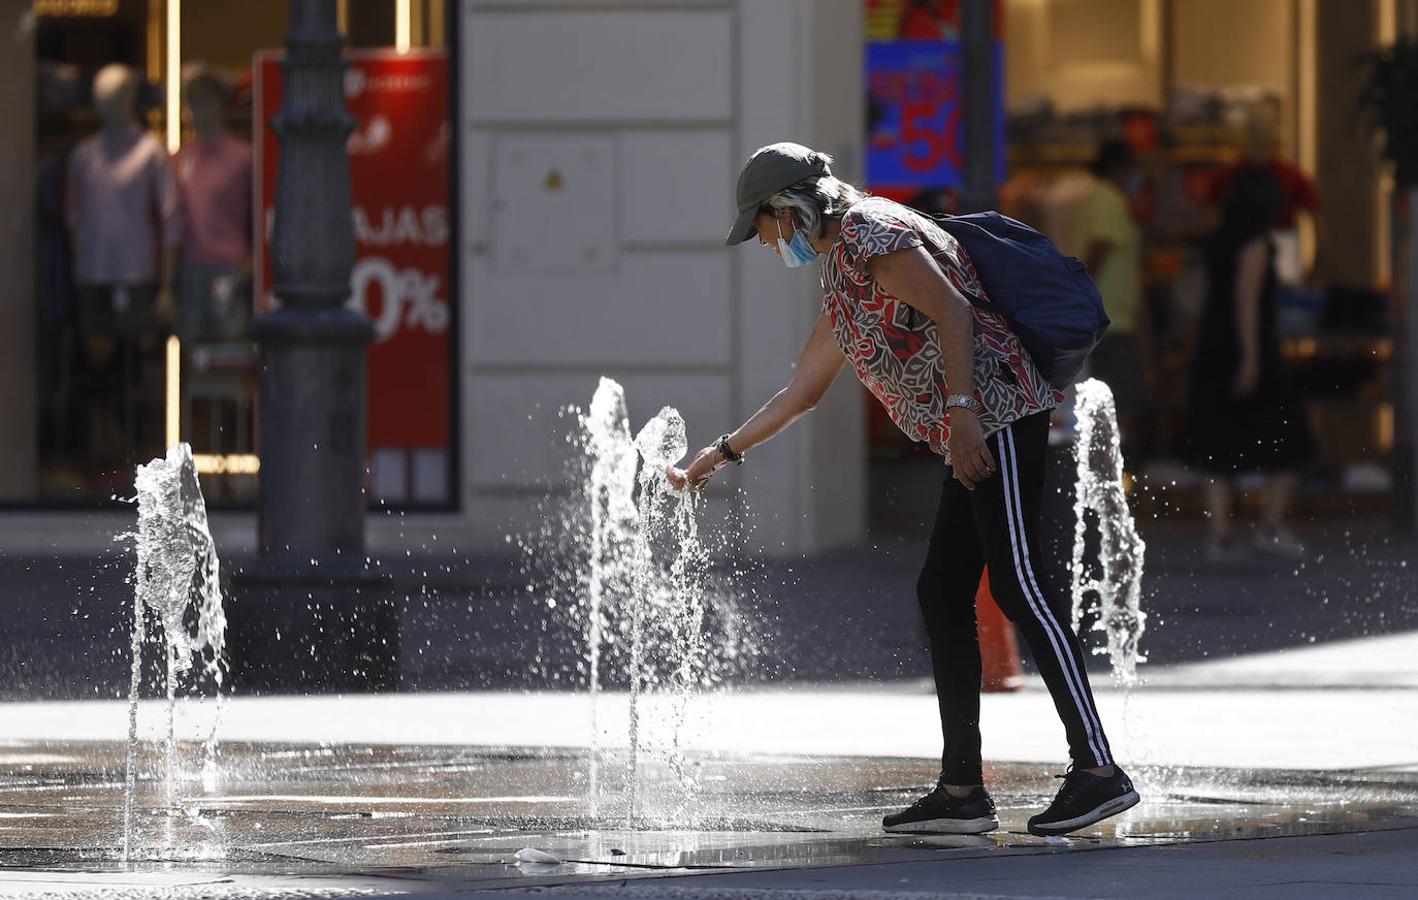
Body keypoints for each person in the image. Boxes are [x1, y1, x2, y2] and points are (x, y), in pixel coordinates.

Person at [671, 142, 1139, 836]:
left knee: (1018, 585)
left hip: (997, 415)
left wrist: (961, 414)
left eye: (762, 227)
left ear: (789, 207)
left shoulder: (873, 233)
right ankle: (961, 793)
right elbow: (802, 392)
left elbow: (952, 313)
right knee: (942, 593)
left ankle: (1099, 771)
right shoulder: (843, 269)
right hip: (972, 432)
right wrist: (715, 456)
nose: (765, 243)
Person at [1183, 168, 1315, 560]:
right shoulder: (1256, 244)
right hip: (1246, 349)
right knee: (1292, 439)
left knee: (1217, 441)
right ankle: (1271, 525)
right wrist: (1253, 359)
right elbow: (1247, 302)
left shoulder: (1214, 242)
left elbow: (1197, 297)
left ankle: (1220, 534)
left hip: (1211, 348)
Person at [65, 64, 180, 471]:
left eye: (113, 97)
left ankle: (141, 455)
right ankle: (104, 451)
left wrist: (165, 285)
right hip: (94, 274)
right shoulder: (83, 156)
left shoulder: (151, 151)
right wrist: (78, 273)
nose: (106, 106)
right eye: (101, 99)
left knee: (140, 364)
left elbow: (170, 220)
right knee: (97, 364)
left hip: (138, 275)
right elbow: (74, 219)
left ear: (129, 99)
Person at [1071, 139, 1150, 452]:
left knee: (1107, 412)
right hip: (1110, 324)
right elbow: (1096, 253)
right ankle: (1114, 484)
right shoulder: (1108, 201)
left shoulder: (1096, 198)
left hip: (1104, 321)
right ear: (1120, 169)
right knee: (1119, 411)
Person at [173, 67, 253, 343]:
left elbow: (258, 213)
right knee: (193, 351)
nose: (199, 109)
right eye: (193, 101)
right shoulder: (180, 160)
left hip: (230, 267)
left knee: (230, 347)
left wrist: (252, 261)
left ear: (219, 103)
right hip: (190, 268)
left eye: (205, 100)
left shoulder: (243, 158)